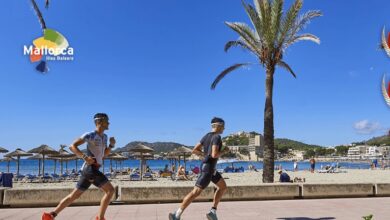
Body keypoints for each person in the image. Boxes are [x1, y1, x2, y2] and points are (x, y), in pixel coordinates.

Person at [42, 113, 116, 220]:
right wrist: (84, 157)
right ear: (99, 122)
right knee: (110, 191)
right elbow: (72, 146)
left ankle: (50, 215)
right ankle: (100, 218)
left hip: (90, 170)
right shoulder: (90, 135)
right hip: (90, 169)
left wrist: (111, 145)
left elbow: (104, 155)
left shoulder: (105, 137)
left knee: (74, 196)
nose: (109, 123)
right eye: (106, 120)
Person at [169, 117, 229, 220]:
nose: (224, 128)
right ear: (217, 126)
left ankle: (212, 212)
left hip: (211, 169)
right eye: (223, 126)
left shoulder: (206, 136)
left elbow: (195, 150)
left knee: (223, 187)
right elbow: (214, 155)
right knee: (195, 192)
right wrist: (225, 151)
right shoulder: (217, 137)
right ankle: (176, 214)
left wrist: (204, 154)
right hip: (208, 169)